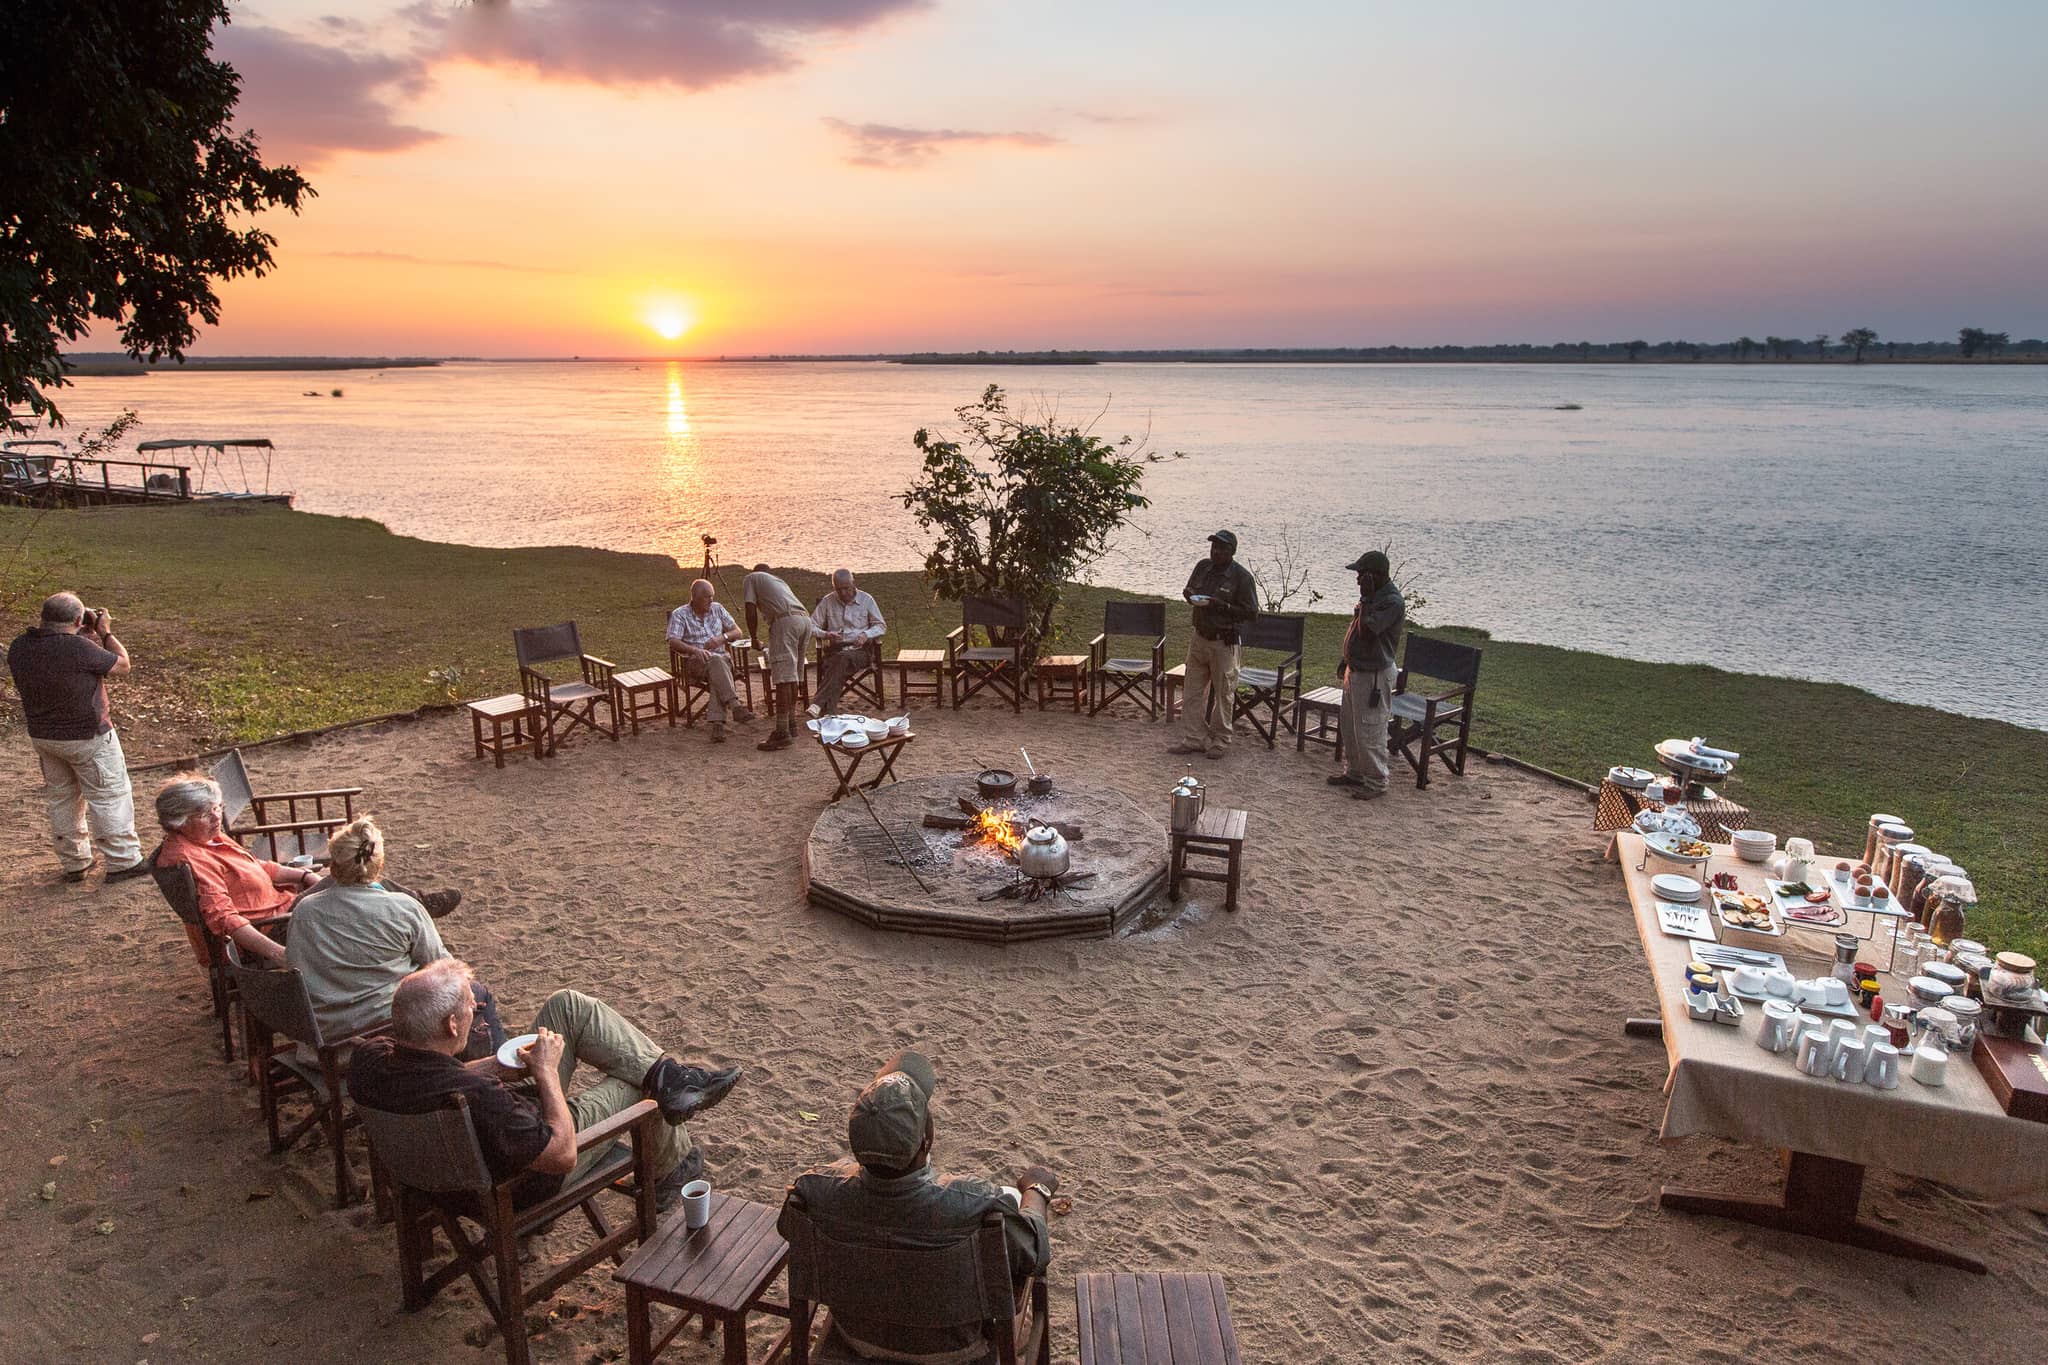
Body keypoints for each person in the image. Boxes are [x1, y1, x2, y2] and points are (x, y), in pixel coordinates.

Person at [347, 959, 743, 1212]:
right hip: (523, 1181)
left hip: (449, 1163)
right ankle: (671, 1166)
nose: (477, 1010)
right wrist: (546, 1075)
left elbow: (446, 1077)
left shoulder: (368, 1058)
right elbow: (560, 1156)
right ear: (452, 1026)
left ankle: (673, 1078)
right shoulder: (478, 1098)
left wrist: (500, 1067)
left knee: (565, 1006)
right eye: (471, 1006)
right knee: (636, 1084)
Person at [779, 1051, 1056, 1363]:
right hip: (955, 1351)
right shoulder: (977, 1205)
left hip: (856, 1336)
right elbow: (1035, 1251)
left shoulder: (813, 1192)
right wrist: (1037, 1190)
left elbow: (788, 1231)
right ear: (926, 1138)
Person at [150, 773, 459, 969]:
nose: (217, 818)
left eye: (217, 808)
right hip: (275, 925)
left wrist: (301, 876)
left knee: (351, 880)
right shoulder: (189, 859)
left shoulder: (204, 837)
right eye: (206, 813)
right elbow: (225, 920)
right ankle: (416, 908)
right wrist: (277, 954)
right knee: (354, 882)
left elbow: (256, 867)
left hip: (285, 904)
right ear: (179, 821)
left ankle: (416, 905)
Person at [284, 815, 501, 1055]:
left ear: (333, 866)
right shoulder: (402, 908)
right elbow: (444, 969)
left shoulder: (304, 910)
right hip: (386, 1034)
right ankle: (495, 1071)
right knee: (475, 993)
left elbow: (295, 966)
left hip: (323, 1038)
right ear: (380, 865)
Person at [7, 592, 147, 882]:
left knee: (62, 799)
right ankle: (123, 863)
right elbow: (122, 665)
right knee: (109, 796)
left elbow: (57, 653)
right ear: (78, 619)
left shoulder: (20, 647)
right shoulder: (80, 648)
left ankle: (75, 863)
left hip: (44, 737)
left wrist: (80, 632)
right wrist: (104, 631)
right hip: (87, 736)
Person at [1169, 531, 1258, 760]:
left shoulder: (1242, 578)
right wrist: (1189, 595)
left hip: (1224, 641)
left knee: (1224, 694)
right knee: (1191, 691)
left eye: (1222, 549)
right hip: (1199, 637)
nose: (1216, 552)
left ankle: (1220, 740)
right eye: (1214, 547)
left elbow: (1251, 613)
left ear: (1232, 552)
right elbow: (1190, 589)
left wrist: (1223, 606)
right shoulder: (1203, 567)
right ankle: (1194, 738)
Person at [1329, 549, 1406, 800]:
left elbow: (1368, 633)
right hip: (1357, 669)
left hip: (1373, 675)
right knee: (1350, 726)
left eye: (1361, 574)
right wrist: (1346, 659)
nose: (1358, 579)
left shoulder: (1390, 601)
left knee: (1370, 730)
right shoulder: (1372, 599)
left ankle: (1376, 781)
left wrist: (1365, 600)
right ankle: (1355, 772)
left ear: (1375, 575)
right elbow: (1356, 632)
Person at [666, 578, 756, 742]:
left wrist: (722, 638)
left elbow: (738, 632)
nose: (711, 600)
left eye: (712, 596)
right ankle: (734, 706)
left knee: (717, 666)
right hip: (696, 664)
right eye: (707, 596)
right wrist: (694, 650)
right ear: (694, 597)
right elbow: (673, 641)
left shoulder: (717, 609)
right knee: (717, 666)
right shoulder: (680, 614)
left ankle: (718, 725)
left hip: (722, 662)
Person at [741, 564, 815, 751]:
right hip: (805, 621)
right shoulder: (779, 582)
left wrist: (754, 637)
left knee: (783, 677)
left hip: (786, 622)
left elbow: (750, 610)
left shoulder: (751, 578)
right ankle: (790, 724)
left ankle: (781, 732)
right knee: (793, 677)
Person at [808, 569, 886, 717]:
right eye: (839, 589)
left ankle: (818, 704)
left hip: (861, 651)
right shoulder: (828, 601)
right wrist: (826, 634)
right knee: (840, 661)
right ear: (834, 587)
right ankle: (829, 712)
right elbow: (810, 626)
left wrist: (866, 634)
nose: (843, 593)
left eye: (846, 588)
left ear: (853, 584)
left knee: (840, 661)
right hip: (835, 650)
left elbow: (881, 625)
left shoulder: (866, 600)